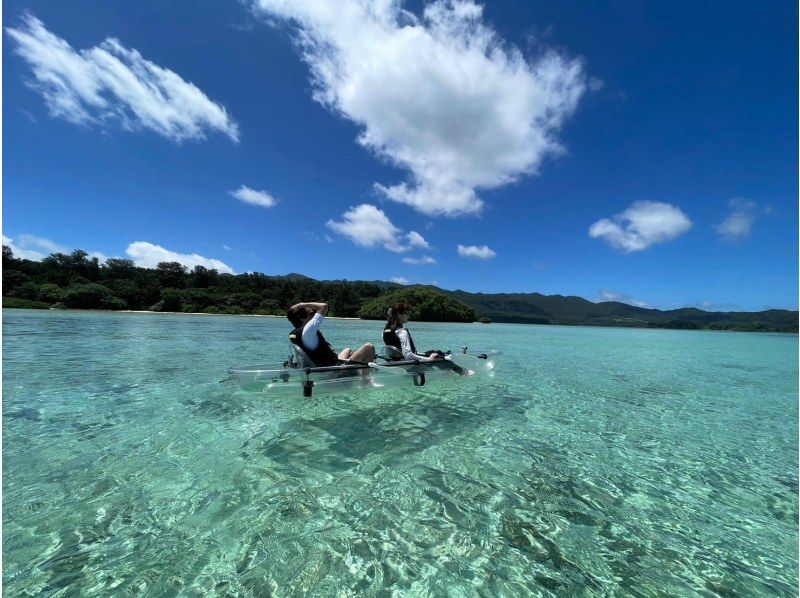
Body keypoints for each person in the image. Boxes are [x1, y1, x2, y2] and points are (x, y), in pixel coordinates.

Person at [287, 302, 375, 367]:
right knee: (369, 347)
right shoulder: (308, 330)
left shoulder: (297, 333)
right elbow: (324, 306)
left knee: (348, 350)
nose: (314, 316)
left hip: (326, 366)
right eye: (311, 314)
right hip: (333, 371)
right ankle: (366, 382)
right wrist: (302, 305)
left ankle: (357, 368)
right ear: (302, 318)